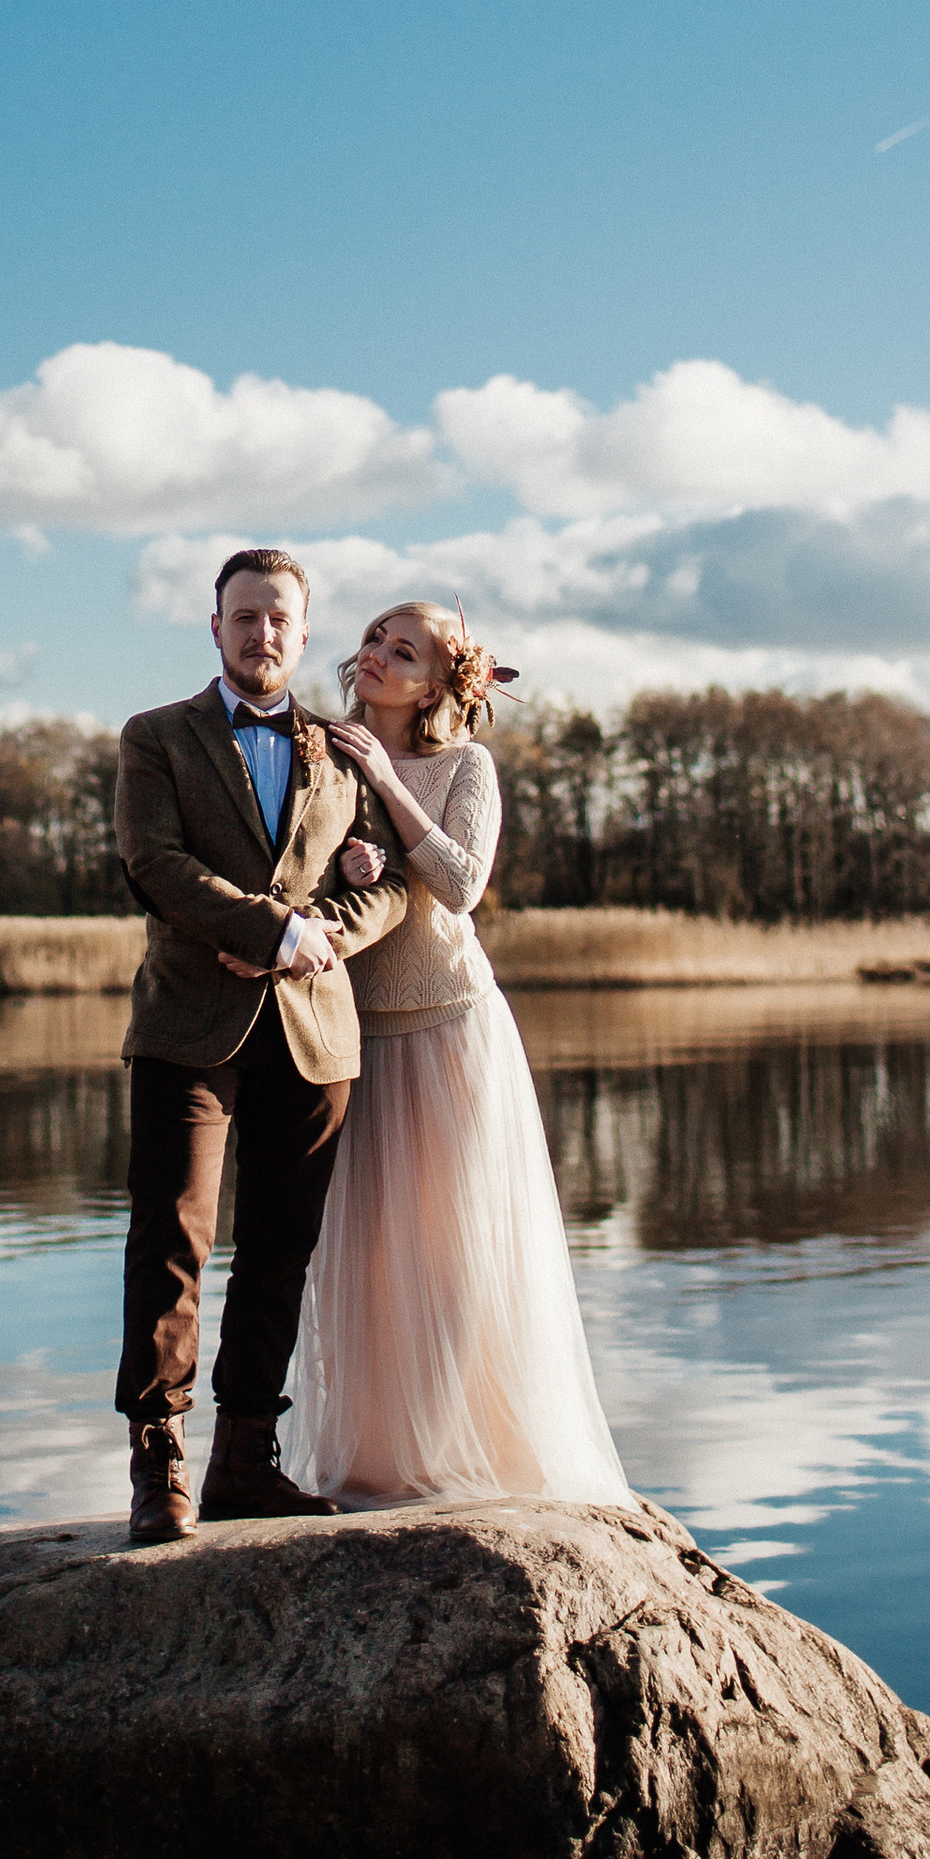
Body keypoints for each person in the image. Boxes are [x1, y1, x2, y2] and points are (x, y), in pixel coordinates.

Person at [283, 601, 630, 1506]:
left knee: (453, 1252)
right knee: (364, 1258)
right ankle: (376, 1464)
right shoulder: (314, 745)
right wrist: (350, 867)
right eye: (373, 640)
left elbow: (464, 885)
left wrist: (388, 795)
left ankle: (478, 1454)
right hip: (352, 1031)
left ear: (440, 684)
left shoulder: (463, 764)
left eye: (405, 652)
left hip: (448, 1029)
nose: (378, 658)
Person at [111, 546, 412, 1545]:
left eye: (279, 618)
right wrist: (267, 931)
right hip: (188, 1027)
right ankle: (160, 1464)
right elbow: (153, 863)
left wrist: (316, 937)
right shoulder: (155, 738)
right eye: (244, 617)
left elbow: (393, 883)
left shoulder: (345, 748)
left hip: (314, 1031)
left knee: (280, 1250)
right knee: (172, 1244)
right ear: (215, 629)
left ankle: (246, 1458)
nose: (262, 634)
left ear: (302, 630)